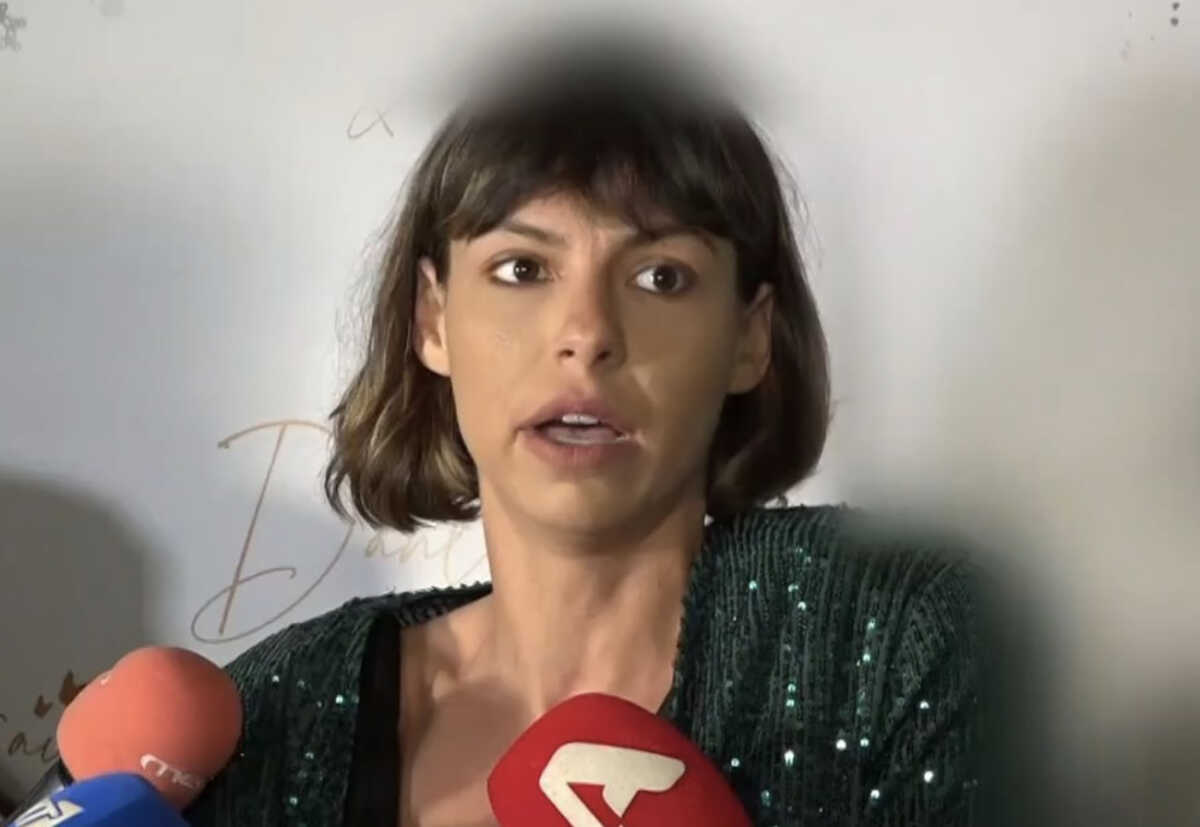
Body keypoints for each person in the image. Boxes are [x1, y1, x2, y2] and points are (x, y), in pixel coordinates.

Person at [185, 31, 1000, 827]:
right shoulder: (264, 723)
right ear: (432, 318)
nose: (587, 333)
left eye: (660, 276)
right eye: (522, 269)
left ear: (749, 338)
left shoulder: (897, 638)